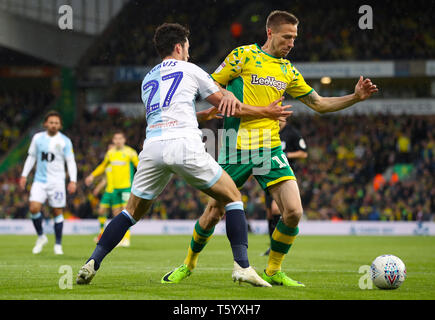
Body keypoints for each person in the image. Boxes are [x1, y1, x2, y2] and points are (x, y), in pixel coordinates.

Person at [164, 10, 378, 287]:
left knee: (293, 211)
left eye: (294, 38)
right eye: (287, 37)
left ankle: (273, 269)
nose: (291, 43)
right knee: (213, 214)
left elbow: (320, 104)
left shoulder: (288, 71)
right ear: (270, 33)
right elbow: (211, 83)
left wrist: (356, 97)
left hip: (269, 147)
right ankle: (188, 264)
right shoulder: (244, 56)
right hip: (235, 146)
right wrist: (225, 91)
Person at [76, 23, 290, 286]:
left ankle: (92, 262)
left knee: (130, 211)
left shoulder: (148, 78)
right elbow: (229, 104)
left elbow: (167, 115)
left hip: (153, 147)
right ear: (179, 47)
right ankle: (242, 266)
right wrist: (265, 112)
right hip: (184, 144)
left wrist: (201, 115)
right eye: (187, 47)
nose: (189, 52)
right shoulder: (190, 69)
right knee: (233, 196)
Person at [19, 110, 77, 255]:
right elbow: (31, 157)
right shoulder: (37, 138)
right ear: (45, 123)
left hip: (57, 182)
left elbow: (70, 162)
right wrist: (24, 175)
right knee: (33, 208)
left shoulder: (65, 141)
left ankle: (58, 244)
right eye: (51, 122)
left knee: (57, 211)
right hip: (40, 180)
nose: (53, 125)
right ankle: (41, 236)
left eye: (56, 123)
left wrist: (73, 181)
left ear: (60, 125)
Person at [262, 118, 308, 256]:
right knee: (269, 212)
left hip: (284, 174)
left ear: (285, 117)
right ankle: (272, 244)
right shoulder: (270, 131)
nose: (277, 119)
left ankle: (278, 245)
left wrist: (286, 154)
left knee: (277, 210)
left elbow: (303, 153)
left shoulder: (293, 133)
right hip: (267, 173)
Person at [85, 132, 138, 247]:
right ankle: (120, 238)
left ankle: (127, 239)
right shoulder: (110, 153)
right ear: (113, 140)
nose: (118, 140)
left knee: (126, 212)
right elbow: (103, 166)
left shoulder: (130, 152)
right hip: (114, 189)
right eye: (116, 138)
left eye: (120, 138)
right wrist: (92, 176)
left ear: (124, 140)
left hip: (126, 187)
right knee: (116, 215)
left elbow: (139, 165)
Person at [90, 143, 115, 243]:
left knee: (117, 215)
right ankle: (101, 234)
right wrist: (97, 188)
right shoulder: (107, 164)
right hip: (108, 191)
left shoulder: (120, 163)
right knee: (101, 211)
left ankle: (121, 236)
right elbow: (105, 180)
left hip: (117, 191)